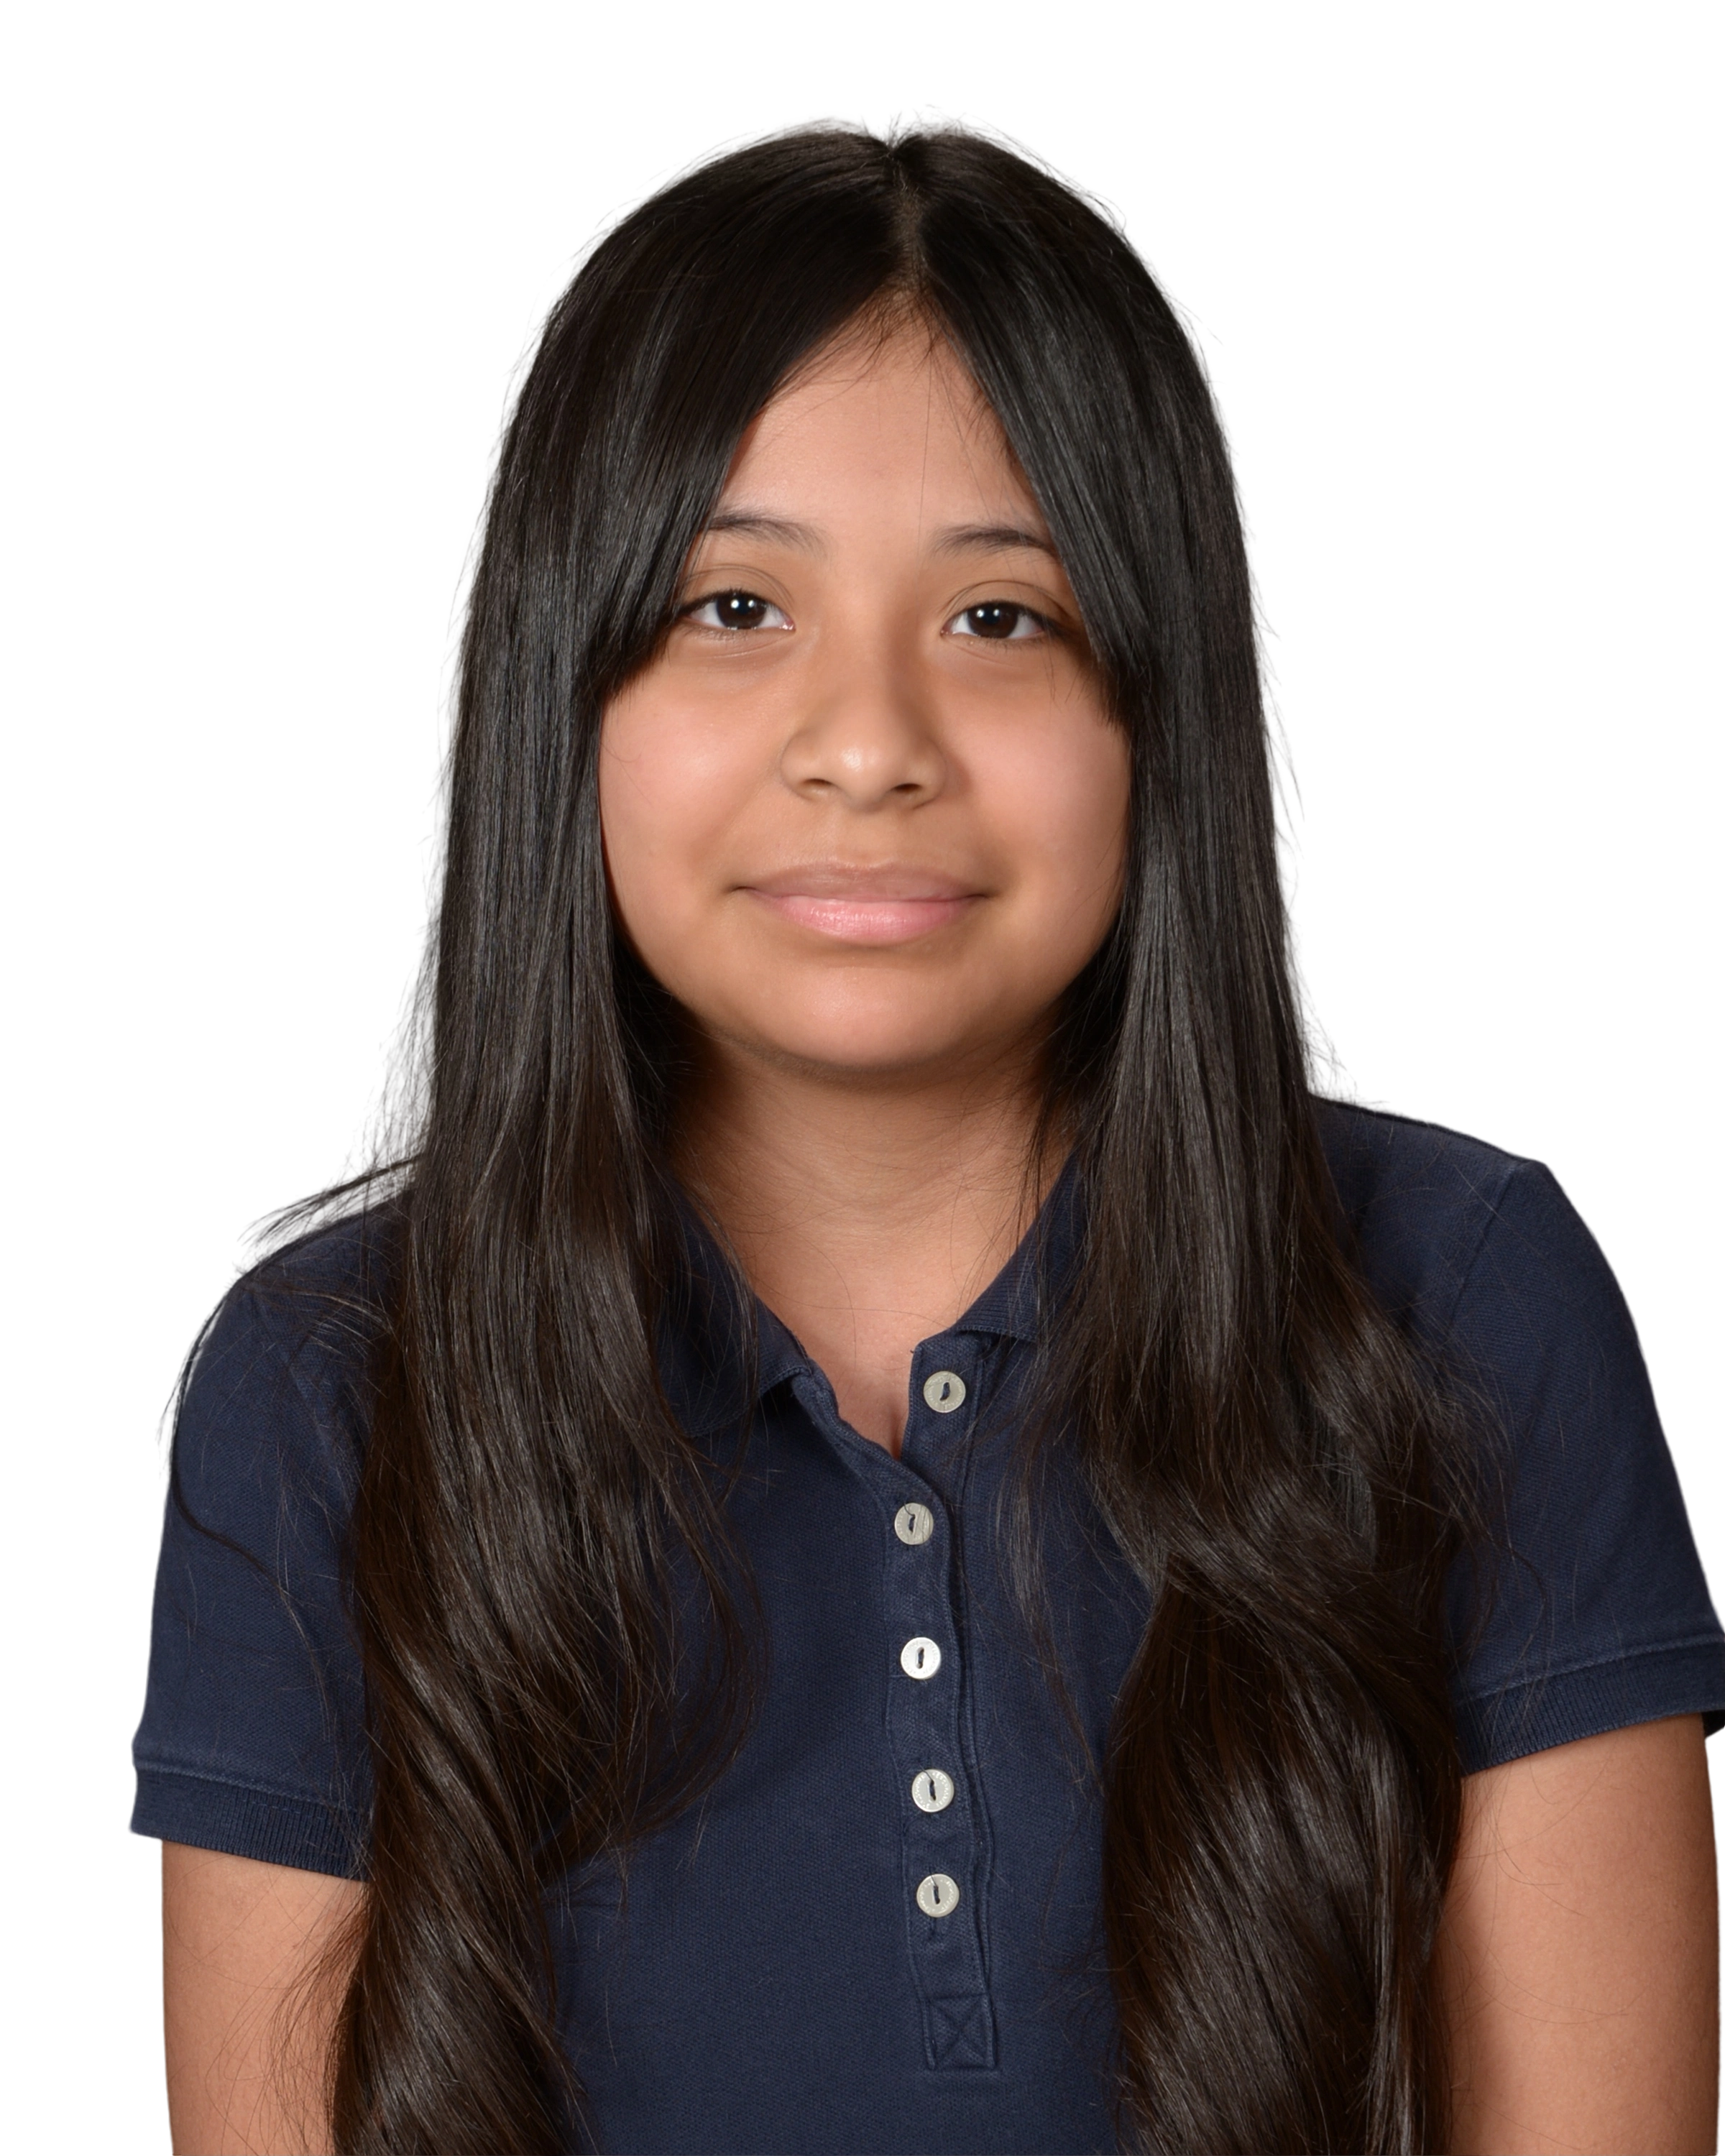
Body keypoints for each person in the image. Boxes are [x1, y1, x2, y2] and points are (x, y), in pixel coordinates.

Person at [129, 103, 1725, 2156]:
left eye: (1000, 618)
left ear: (1162, 710)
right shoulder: (329, 1380)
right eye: (732, 608)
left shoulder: (1468, 1301)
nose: (868, 746)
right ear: (560, 697)